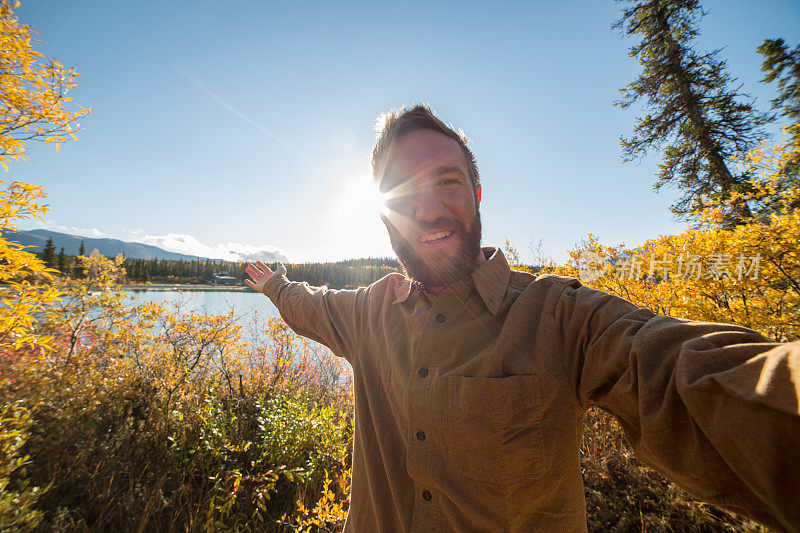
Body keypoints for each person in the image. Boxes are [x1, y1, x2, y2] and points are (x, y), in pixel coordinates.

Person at [245, 104, 800, 532]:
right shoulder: (367, 312)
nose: (429, 208)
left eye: (447, 180)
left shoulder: (559, 316)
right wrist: (273, 284)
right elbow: (307, 305)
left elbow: (669, 365)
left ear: (478, 194)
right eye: (403, 191)